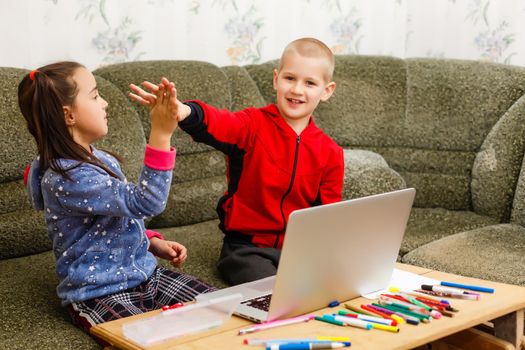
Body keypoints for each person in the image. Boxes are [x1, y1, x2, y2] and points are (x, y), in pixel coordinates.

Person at [18, 61, 215, 339]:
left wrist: (150, 240)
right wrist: (160, 133)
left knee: (221, 309)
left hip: (147, 277)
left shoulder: (102, 159)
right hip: (98, 293)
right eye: (96, 96)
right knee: (152, 340)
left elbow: (116, 215)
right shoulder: (66, 178)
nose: (105, 103)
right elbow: (147, 202)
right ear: (68, 115)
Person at [130, 37, 344, 286]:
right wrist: (185, 112)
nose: (297, 89)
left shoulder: (331, 152)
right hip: (246, 249)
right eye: (290, 78)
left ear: (326, 91)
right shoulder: (252, 125)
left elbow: (327, 217)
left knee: (334, 285)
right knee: (276, 293)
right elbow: (218, 122)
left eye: (309, 83)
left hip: (298, 251)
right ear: (276, 79)